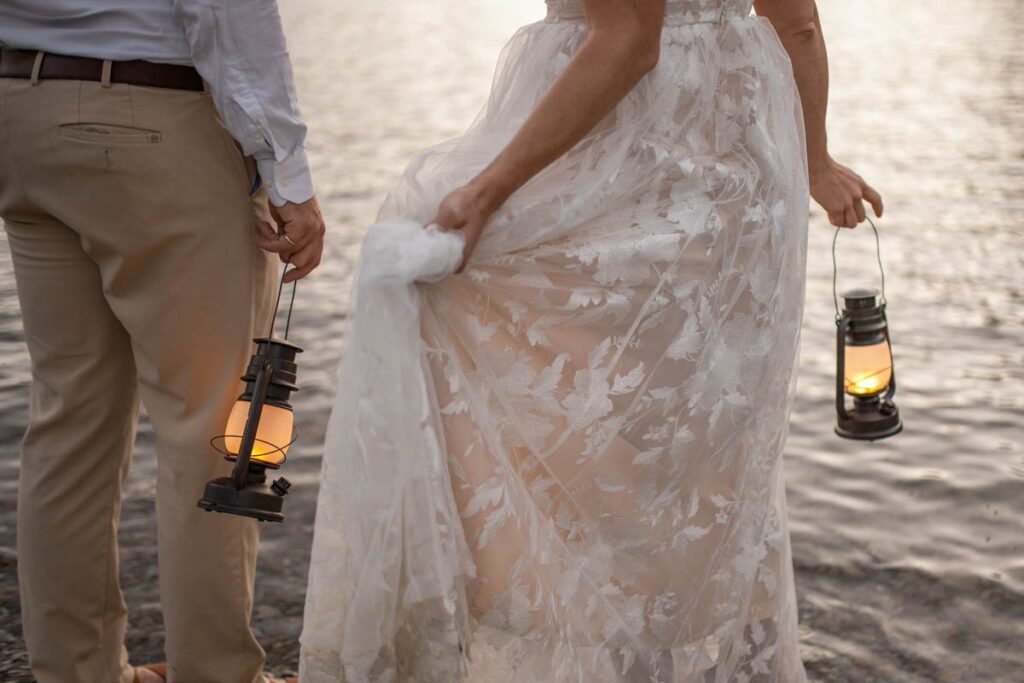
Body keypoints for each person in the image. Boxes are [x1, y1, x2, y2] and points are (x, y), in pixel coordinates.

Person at [300, 0, 882, 681]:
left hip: (636, 157)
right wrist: (815, 159)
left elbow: (632, 40)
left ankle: (601, 655)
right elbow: (797, 20)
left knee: (599, 443)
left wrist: (490, 188)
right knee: (708, 454)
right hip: (742, 166)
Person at [0, 0, 325, 681]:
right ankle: (217, 674)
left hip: (19, 114)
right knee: (207, 424)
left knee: (69, 417)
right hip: (147, 117)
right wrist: (287, 173)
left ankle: (76, 670)